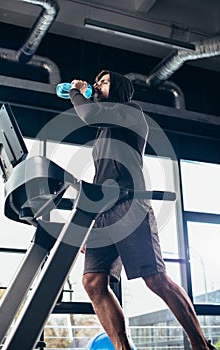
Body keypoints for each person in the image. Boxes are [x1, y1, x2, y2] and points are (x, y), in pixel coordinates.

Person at [69, 70, 216, 350]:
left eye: (104, 82)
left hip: (129, 205)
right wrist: (91, 227)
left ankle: (201, 346)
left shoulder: (130, 112)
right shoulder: (104, 129)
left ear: (120, 89)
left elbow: (89, 115)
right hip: (102, 213)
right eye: (96, 82)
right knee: (92, 281)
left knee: (155, 278)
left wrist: (76, 92)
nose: (97, 85)